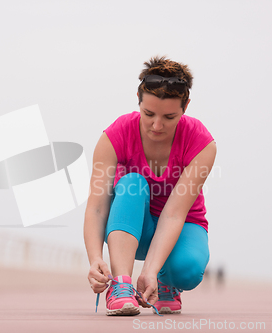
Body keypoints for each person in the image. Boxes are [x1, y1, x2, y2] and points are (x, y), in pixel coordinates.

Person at [83, 56, 217, 316]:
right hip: (134, 227)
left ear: (186, 106)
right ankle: (121, 287)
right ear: (138, 99)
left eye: (169, 117)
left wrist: (150, 271)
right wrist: (95, 258)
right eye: (148, 114)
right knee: (132, 182)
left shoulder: (202, 143)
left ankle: (167, 281)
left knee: (188, 270)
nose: (157, 125)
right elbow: (98, 207)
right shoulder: (116, 135)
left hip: (181, 226)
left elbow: (174, 213)